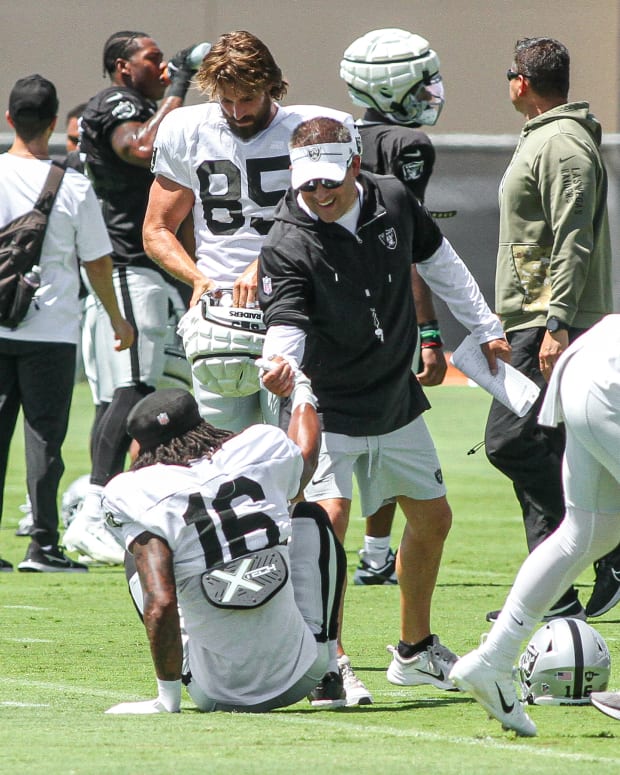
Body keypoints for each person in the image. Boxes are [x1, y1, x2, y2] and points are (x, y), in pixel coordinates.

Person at [257, 116, 511, 705]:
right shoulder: (287, 241)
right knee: (328, 521)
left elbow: (442, 263)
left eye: (328, 181)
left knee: (433, 518)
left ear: (353, 165)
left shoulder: (393, 196)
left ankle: (415, 650)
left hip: (394, 396)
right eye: (306, 185)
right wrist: (279, 366)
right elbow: (286, 328)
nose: (318, 194)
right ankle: (326, 661)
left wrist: (487, 327)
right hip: (323, 404)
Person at [143, 29, 356, 432]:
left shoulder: (318, 129)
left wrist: (269, 263)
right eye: (226, 101)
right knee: (223, 456)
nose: (237, 112)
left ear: (272, 86)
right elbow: (156, 229)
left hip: (303, 303)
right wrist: (198, 280)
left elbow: (342, 221)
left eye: (248, 99)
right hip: (222, 314)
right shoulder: (185, 128)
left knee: (303, 455)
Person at [101, 379, 347, 714]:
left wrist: (167, 700)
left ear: (141, 447)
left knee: (141, 554)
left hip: (213, 691)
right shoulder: (259, 445)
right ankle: (329, 665)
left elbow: (160, 602)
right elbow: (307, 456)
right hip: (302, 671)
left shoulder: (134, 489)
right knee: (310, 516)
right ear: (201, 422)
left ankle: (169, 694)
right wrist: (301, 390)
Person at [482, 37, 615, 624]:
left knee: (512, 442)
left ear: (522, 82)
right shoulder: (547, 134)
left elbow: (573, 237)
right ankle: (556, 595)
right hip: (532, 317)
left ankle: (607, 551)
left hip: (550, 320)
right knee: (547, 447)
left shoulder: (561, 142)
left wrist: (557, 321)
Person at [62, 31, 205, 565]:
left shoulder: (147, 105)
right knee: (132, 389)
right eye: (152, 59)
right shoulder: (117, 107)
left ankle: (118, 498)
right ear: (123, 68)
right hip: (129, 265)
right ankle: (96, 506)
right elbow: (142, 147)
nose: (164, 66)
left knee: (153, 391)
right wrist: (185, 81)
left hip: (157, 273)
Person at [450, 314, 620, 737]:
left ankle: (493, 659)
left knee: (590, 531)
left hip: (590, 360)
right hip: (610, 377)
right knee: (586, 531)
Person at [0, 74, 133, 572]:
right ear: (55, 122)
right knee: (44, 440)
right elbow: (97, 262)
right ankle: (43, 545)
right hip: (50, 330)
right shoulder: (72, 184)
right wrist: (119, 320)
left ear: (10, 118)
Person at [340, 27, 448, 586]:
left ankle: (369, 552)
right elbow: (409, 254)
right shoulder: (409, 146)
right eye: (422, 79)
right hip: (384, 306)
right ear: (393, 85)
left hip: (330, 304)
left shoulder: (336, 135)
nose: (432, 90)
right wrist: (429, 333)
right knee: (387, 431)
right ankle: (377, 550)